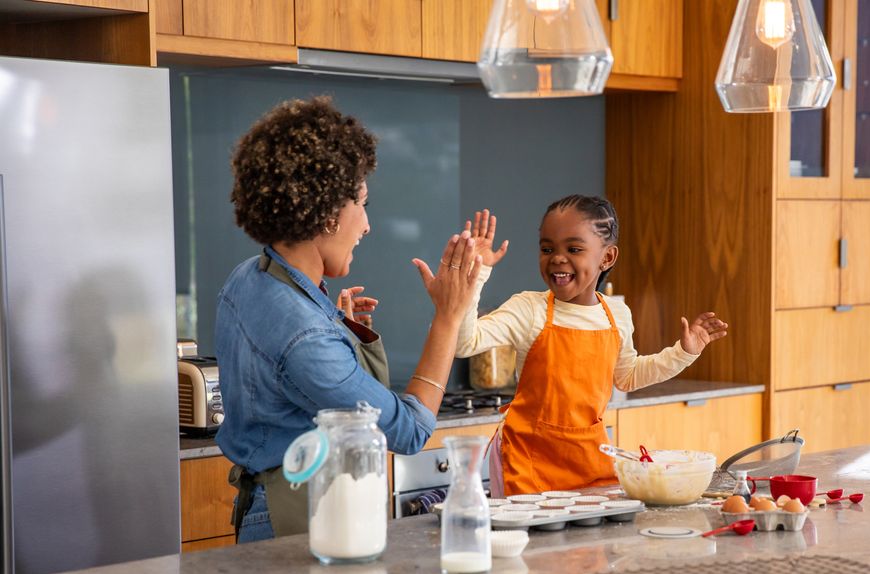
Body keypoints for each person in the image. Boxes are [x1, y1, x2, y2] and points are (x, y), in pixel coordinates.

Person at [216, 96, 481, 542]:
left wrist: (338, 328)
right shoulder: (306, 338)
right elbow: (411, 429)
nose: (366, 225)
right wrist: (448, 318)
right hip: (302, 520)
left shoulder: (247, 279)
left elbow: (284, 376)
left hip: (267, 516)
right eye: (362, 203)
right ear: (327, 214)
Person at [455, 195, 728, 497]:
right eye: (548, 249)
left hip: (588, 458)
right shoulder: (528, 309)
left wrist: (683, 353)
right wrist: (476, 276)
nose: (557, 258)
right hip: (527, 459)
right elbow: (465, 343)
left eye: (573, 249)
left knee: (589, 544)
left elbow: (628, 377)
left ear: (607, 258)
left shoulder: (617, 315)